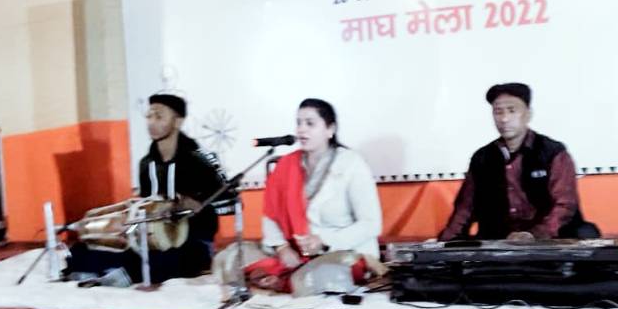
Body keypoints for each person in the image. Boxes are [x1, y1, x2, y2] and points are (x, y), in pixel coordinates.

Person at [66, 93, 227, 284]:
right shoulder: (146, 164)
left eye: (159, 117)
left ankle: (119, 274)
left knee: (171, 259)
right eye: (149, 116)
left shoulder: (200, 160)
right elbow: (147, 206)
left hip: (193, 242)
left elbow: (228, 199)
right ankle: (110, 272)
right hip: (153, 241)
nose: (151, 123)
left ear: (178, 121)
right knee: (83, 250)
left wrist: (196, 204)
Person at [245, 98, 382, 290]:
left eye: (310, 123)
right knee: (235, 257)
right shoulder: (287, 164)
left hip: (344, 253)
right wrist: (282, 247)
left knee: (312, 277)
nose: (301, 130)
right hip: (297, 254)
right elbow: (271, 215)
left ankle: (288, 281)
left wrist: (324, 241)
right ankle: (287, 279)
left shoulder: (352, 164)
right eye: (299, 123)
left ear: (330, 129)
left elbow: (371, 224)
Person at [439, 82, 598, 241]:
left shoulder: (553, 153)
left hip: (549, 238)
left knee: (586, 234)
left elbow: (564, 205)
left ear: (528, 114)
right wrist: (444, 243)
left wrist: (534, 235)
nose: (504, 119)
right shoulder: (482, 158)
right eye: (498, 112)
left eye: (512, 111)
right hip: (501, 239)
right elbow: (465, 209)